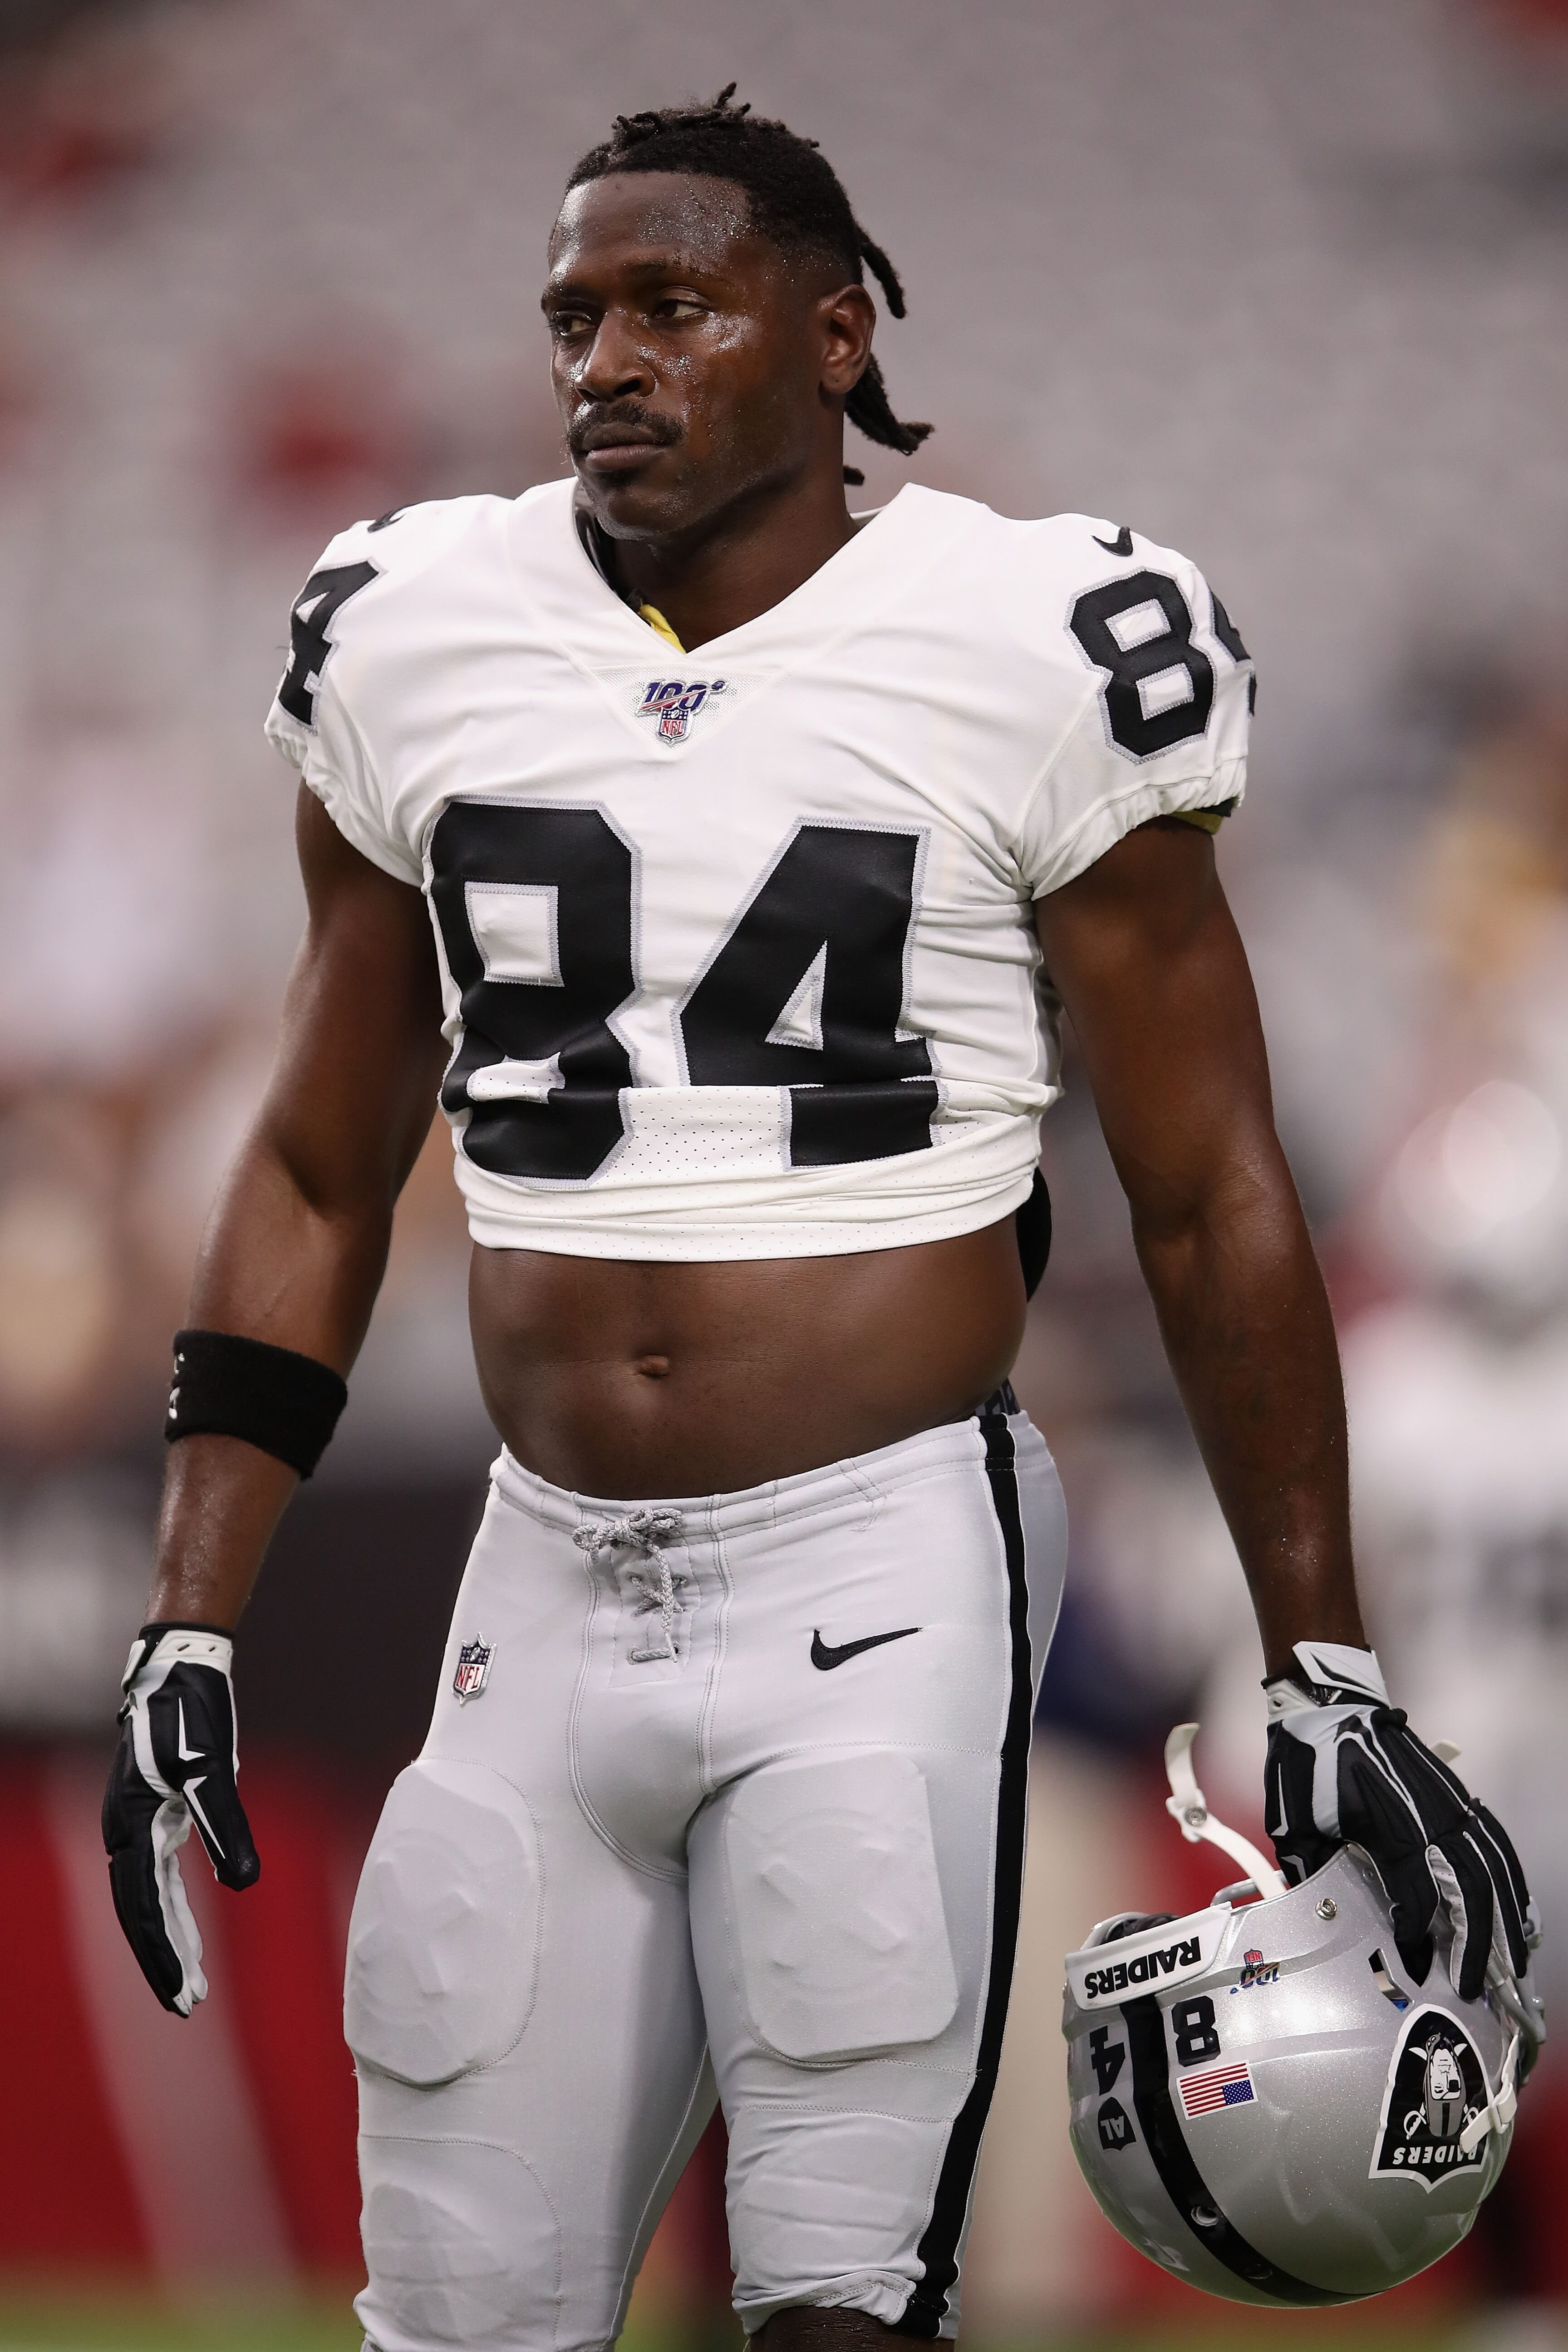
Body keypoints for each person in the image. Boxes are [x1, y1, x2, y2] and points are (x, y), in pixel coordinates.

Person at [101, 89, 1540, 2350]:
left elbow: (1211, 1190)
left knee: (839, 2305)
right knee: (454, 2318)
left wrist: (1319, 1655)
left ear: (838, 332)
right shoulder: (410, 626)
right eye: (575, 312)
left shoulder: (1042, 632)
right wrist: (193, 1608)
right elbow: (311, 1160)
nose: (607, 359)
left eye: (675, 303)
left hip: (883, 1551)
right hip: (539, 1564)